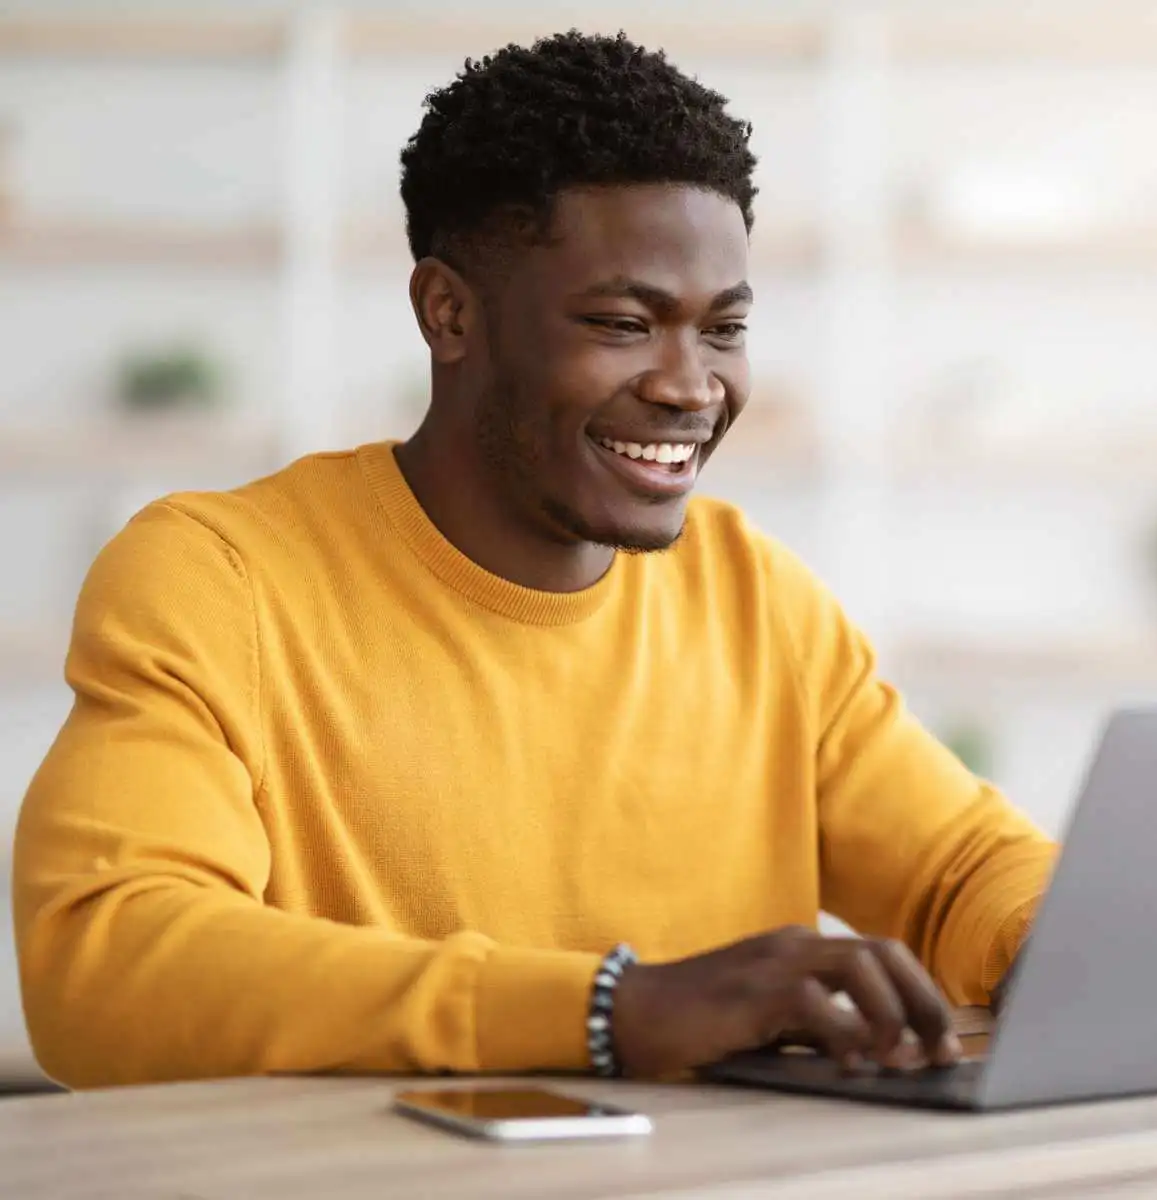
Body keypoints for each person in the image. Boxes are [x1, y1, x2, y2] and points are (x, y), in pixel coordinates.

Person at [13, 31, 1055, 1090]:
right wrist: (613, 1010)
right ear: (448, 312)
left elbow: (964, 872)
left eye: (724, 329)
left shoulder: (754, 596)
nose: (691, 386)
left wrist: (1068, 945)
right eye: (622, 322)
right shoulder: (218, 578)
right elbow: (108, 969)